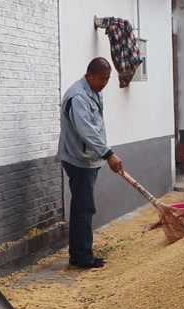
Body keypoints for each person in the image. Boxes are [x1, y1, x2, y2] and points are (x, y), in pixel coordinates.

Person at [57, 58, 123, 269]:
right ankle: (82, 257)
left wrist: (103, 153)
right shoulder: (78, 97)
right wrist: (108, 153)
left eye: (107, 79)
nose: (105, 83)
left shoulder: (94, 91)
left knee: (83, 207)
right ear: (90, 75)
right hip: (78, 159)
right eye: (102, 79)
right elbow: (86, 130)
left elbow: (96, 126)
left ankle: (79, 253)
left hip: (88, 159)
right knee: (84, 208)